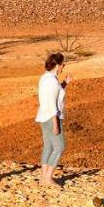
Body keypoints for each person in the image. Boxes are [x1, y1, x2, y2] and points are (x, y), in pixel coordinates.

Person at [36, 53, 68, 188]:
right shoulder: (52, 82)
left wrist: (65, 83)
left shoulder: (46, 78)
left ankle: (44, 177)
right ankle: (48, 178)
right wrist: (55, 123)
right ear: (57, 65)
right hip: (51, 117)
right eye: (62, 64)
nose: (63, 67)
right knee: (60, 147)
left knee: (48, 146)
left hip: (43, 116)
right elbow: (52, 103)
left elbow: (54, 95)